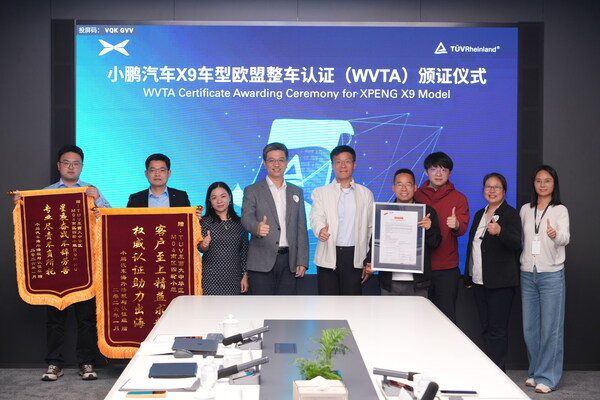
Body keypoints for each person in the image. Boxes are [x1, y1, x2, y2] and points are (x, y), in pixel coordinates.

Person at [13, 145, 110, 381]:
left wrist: (98, 200)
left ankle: (86, 362)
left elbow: (109, 218)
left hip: (85, 266)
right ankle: (54, 363)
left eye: (76, 163)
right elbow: (33, 225)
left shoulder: (91, 191)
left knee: (86, 320)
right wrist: (21, 204)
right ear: (59, 166)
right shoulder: (45, 194)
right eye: (66, 163)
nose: (71, 167)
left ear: (82, 167)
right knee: (54, 320)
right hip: (54, 266)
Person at [464, 173, 521, 371]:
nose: (492, 190)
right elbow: (473, 246)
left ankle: (497, 372)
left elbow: (516, 243)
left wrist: (500, 232)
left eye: (496, 187)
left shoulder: (510, 214)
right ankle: (491, 369)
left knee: (497, 330)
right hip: (479, 281)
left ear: (504, 191)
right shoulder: (479, 214)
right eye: (488, 186)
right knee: (486, 328)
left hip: (501, 283)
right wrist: (469, 276)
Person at [520, 165, 569, 394]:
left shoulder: (560, 210)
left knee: (551, 329)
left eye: (547, 180)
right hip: (527, 273)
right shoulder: (525, 210)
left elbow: (565, 238)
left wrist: (555, 235)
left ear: (554, 184)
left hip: (551, 274)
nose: (542, 184)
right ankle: (534, 372)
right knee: (530, 328)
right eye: (538, 180)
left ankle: (548, 378)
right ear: (534, 184)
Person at [241, 142, 309, 295]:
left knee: (286, 307)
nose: (276, 164)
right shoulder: (252, 190)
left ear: (287, 162)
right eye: (271, 160)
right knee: (262, 307)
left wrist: (302, 260)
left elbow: (301, 228)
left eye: (281, 160)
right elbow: (246, 218)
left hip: (289, 261)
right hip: (261, 260)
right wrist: (257, 227)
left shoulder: (296, 191)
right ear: (265, 163)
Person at [310, 145, 374, 295]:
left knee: (352, 302)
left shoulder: (365, 193)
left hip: (355, 256)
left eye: (347, 161)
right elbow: (316, 216)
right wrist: (320, 230)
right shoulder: (321, 192)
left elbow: (371, 228)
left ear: (354, 164)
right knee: (327, 302)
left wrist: (369, 260)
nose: (343, 166)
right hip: (328, 254)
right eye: (338, 162)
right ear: (332, 165)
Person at [414, 152, 469, 322]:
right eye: (434, 169)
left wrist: (456, 224)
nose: (439, 174)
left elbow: (463, 228)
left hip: (446, 269)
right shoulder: (416, 195)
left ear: (449, 173)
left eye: (443, 170)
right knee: (418, 319)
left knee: (446, 319)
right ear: (426, 172)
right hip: (419, 268)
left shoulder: (459, 198)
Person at [378, 168, 441, 297]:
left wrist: (428, 229)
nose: (404, 189)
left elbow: (435, 244)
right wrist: (369, 263)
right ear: (393, 188)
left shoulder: (427, 212)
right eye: (399, 184)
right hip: (389, 282)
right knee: (388, 311)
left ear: (415, 187)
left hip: (418, 283)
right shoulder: (383, 212)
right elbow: (374, 242)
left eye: (408, 184)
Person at [198, 182, 249, 295]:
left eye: (223, 196)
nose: (219, 201)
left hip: (235, 277)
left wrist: (245, 275)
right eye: (214, 198)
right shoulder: (204, 222)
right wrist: (204, 245)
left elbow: (245, 251)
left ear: (230, 198)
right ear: (209, 201)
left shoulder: (241, 222)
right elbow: (200, 247)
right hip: (210, 278)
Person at [127, 153, 191, 208]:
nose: (157, 174)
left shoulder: (181, 197)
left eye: (162, 170)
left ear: (169, 173)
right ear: (146, 173)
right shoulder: (135, 199)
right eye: (152, 170)